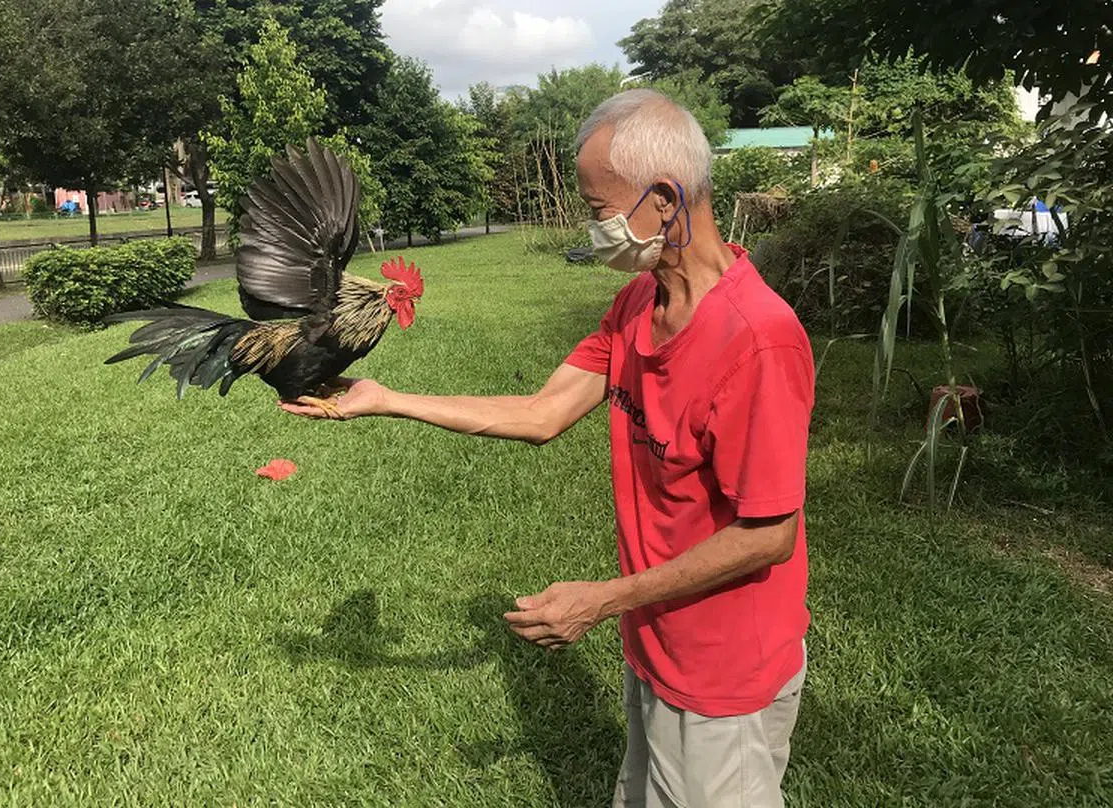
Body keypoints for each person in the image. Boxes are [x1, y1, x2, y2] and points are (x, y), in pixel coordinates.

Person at [281, 88, 815, 808]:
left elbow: (769, 535)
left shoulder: (756, 339)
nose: (592, 229)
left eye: (598, 210)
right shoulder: (638, 304)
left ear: (663, 199)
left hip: (723, 668)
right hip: (659, 639)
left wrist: (605, 599)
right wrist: (389, 400)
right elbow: (542, 412)